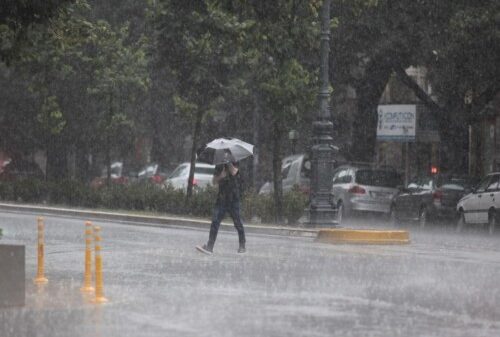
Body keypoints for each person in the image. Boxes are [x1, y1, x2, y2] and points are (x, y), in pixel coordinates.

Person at [196, 160, 246, 255]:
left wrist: (228, 163)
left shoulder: (235, 161)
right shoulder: (219, 165)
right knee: (215, 222)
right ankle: (210, 246)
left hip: (233, 198)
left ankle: (242, 244)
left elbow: (234, 172)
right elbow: (214, 181)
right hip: (222, 198)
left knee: (238, 222)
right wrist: (220, 176)